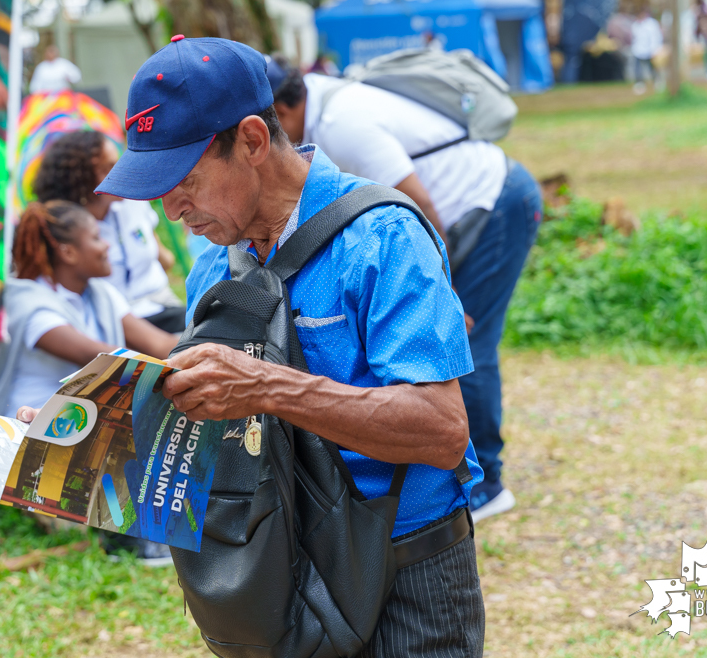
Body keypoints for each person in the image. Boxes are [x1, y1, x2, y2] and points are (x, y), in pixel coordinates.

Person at [24, 35, 486, 656]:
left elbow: (440, 429)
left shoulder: (382, 238)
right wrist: (85, 462)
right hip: (282, 577)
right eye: (156, 189)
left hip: (410, 569)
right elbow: (203, 459)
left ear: (252, 140)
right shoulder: (214, 274)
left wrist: (267, 387)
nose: (170, 209)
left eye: (184, 180)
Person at [269, 56, 541, 524]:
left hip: (492, 199)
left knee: (460, 341)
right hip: (465, 213)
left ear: (279, 110)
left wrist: (442, 291)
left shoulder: (342, 122)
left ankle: (485, 484)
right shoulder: (322, 101)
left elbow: (417, 203)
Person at [0, 200, 178, 566]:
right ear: (69, 252)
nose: (108, 247)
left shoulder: (100, 293)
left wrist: (217, 349)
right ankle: (125, 538)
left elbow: (162, 345)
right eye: (96, 238)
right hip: (32, 440)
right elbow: (103, 362)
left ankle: (125, 522)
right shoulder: (27, 301)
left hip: (82, 425)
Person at [32, 131, 186, 333]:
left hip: (163, 304)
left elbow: (162, 256)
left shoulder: (133, 203)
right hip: (116, 322)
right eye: (108, 168)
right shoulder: (68, 228)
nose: (121, 173)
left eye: (119, 163)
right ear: (81, 179)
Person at [630, 9, 664, 94]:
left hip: (650, 50)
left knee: (652, 69)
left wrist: (655, 50)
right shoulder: (635, 25)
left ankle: (657, 82)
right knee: (638, 69)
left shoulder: (651, 24)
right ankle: (639, 84)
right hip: (638, 50)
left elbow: (656, 37)